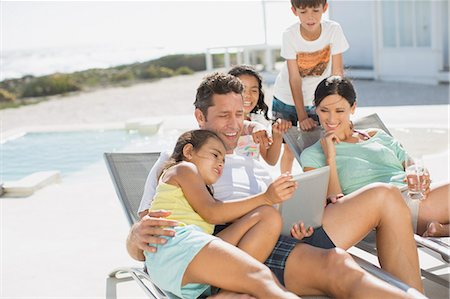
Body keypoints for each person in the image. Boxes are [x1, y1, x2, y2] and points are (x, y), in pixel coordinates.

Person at [128, 72, 422, 298]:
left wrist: (303, 212)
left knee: (381, 201)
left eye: (239, 114)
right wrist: (135, 236)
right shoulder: (182, 158)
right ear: (199, 117)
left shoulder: (252, 150)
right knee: (338, 267)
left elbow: (275, 198)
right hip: (235, 243)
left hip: (284, 227)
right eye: (223, 116)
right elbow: (147, 241)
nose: (234, 125)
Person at [145, 129, 298, 298]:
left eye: (224, 160)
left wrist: (283, 212)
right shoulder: (183, 169)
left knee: (267, 216)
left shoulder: (202, 192)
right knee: (260, 277)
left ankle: (226, 294)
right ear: (188, 151)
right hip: (173, 249)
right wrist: (266, 197)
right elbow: (213, 213)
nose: (221, 163)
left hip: (188, 258)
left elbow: (232, 213)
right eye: (215, 155)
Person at [299, 76, 450, 237]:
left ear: (353, 108)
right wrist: (330, 158)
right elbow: (335, 207)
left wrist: (420, 175)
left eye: (340, 111)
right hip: (385, 210)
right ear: (315, 108)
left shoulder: (377, 135)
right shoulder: (312, 156)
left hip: (414, 197)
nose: (331, 118)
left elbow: (413, 166)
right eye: (324, 110)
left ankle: (441, 229)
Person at [272, 0, 349, 174]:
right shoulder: (289, 35)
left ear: (325, 8)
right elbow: (294, 79)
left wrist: (338, 107)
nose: (310, 17)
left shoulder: (333, 30)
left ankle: (325, 186)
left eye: (315, 10)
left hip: (317, 99)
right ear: (294, 11)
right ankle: (285, 187)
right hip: (287, 99)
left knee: (323, 144)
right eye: (303, 11)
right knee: (290, 149)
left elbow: (337, 74)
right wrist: (301, 117)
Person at [228, 65, 291, 164]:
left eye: (254, 90)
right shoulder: (222, 123)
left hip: (253, 177)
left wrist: (277, 134)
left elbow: (271, 160)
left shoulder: (257, 121)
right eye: (242, 90)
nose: (248, 95)